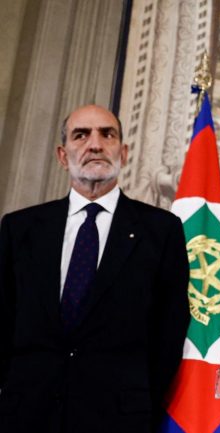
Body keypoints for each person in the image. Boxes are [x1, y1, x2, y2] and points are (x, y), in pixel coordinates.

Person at [0, 105, 190, 433]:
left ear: (123, 153)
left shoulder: (161, 230)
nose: (95, 144)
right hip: (27, 414)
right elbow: (3, 318)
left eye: (107, 134)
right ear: (63, 156)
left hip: (119, 418)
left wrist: (139, 398)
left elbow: (169, 331)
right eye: (81, 135)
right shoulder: (20, 228)